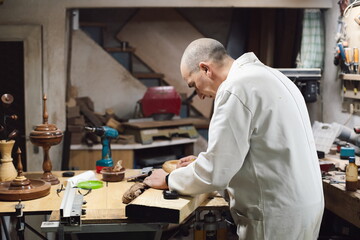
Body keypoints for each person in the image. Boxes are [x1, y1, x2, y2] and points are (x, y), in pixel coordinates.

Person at [144, 38, 324, 239]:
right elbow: (259, 149)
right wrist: (200, 164)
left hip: (275, 214)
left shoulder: (235, 89)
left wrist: (169, 180)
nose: (200, 95)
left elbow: (216, 171)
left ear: (206, 69)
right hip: (302, 207)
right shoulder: (270, 76)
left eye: (194, 85)